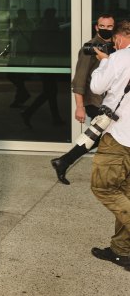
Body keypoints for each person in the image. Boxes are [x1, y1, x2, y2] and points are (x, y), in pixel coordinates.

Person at [51, 14, 115, 184]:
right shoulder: (90, 48)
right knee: (103, 137)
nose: (106, 29)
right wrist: (79, 106)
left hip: (109, 101)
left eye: (109, 27)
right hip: (94, 101)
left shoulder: (115, 46)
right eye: (103, 26)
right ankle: (65, 162)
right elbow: (79, 79)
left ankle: (63, 161)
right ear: (97, 27)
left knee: (99, 137)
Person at [88, 20, 130, 269]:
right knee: (126, 193)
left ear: (120, 38)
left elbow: (96, 87)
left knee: (103, 187)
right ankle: (121, 251)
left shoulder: (119, 57)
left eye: (115, 40)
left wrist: (104, 61)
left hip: (120, 137)